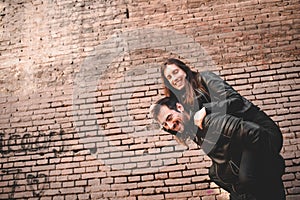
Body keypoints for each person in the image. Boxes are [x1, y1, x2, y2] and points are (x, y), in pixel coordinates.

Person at [150, 96, 285, 200]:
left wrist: (267, 167)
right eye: (165, 125)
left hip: (265, 185)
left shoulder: (208, 122)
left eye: (169, 117)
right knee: (216, 174)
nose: (170, 125)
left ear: (179, 107)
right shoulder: (193, 130)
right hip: (252, 186)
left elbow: (256, 134)